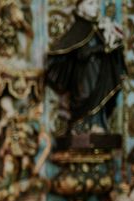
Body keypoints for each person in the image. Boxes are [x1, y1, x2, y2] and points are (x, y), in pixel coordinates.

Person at [46, 0, 126, 134]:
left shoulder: (97, 28)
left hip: (100, 71)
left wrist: (114, 44)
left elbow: (107, 47)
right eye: (90, 3)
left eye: (96, 4)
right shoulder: (78, 28)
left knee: (99, 97)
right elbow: (82, 53)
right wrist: (102, 49)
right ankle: (81, 125)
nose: (95, 7)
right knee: (84, 95)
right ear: (80, 8)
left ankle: (96, 123)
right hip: (84, 73)